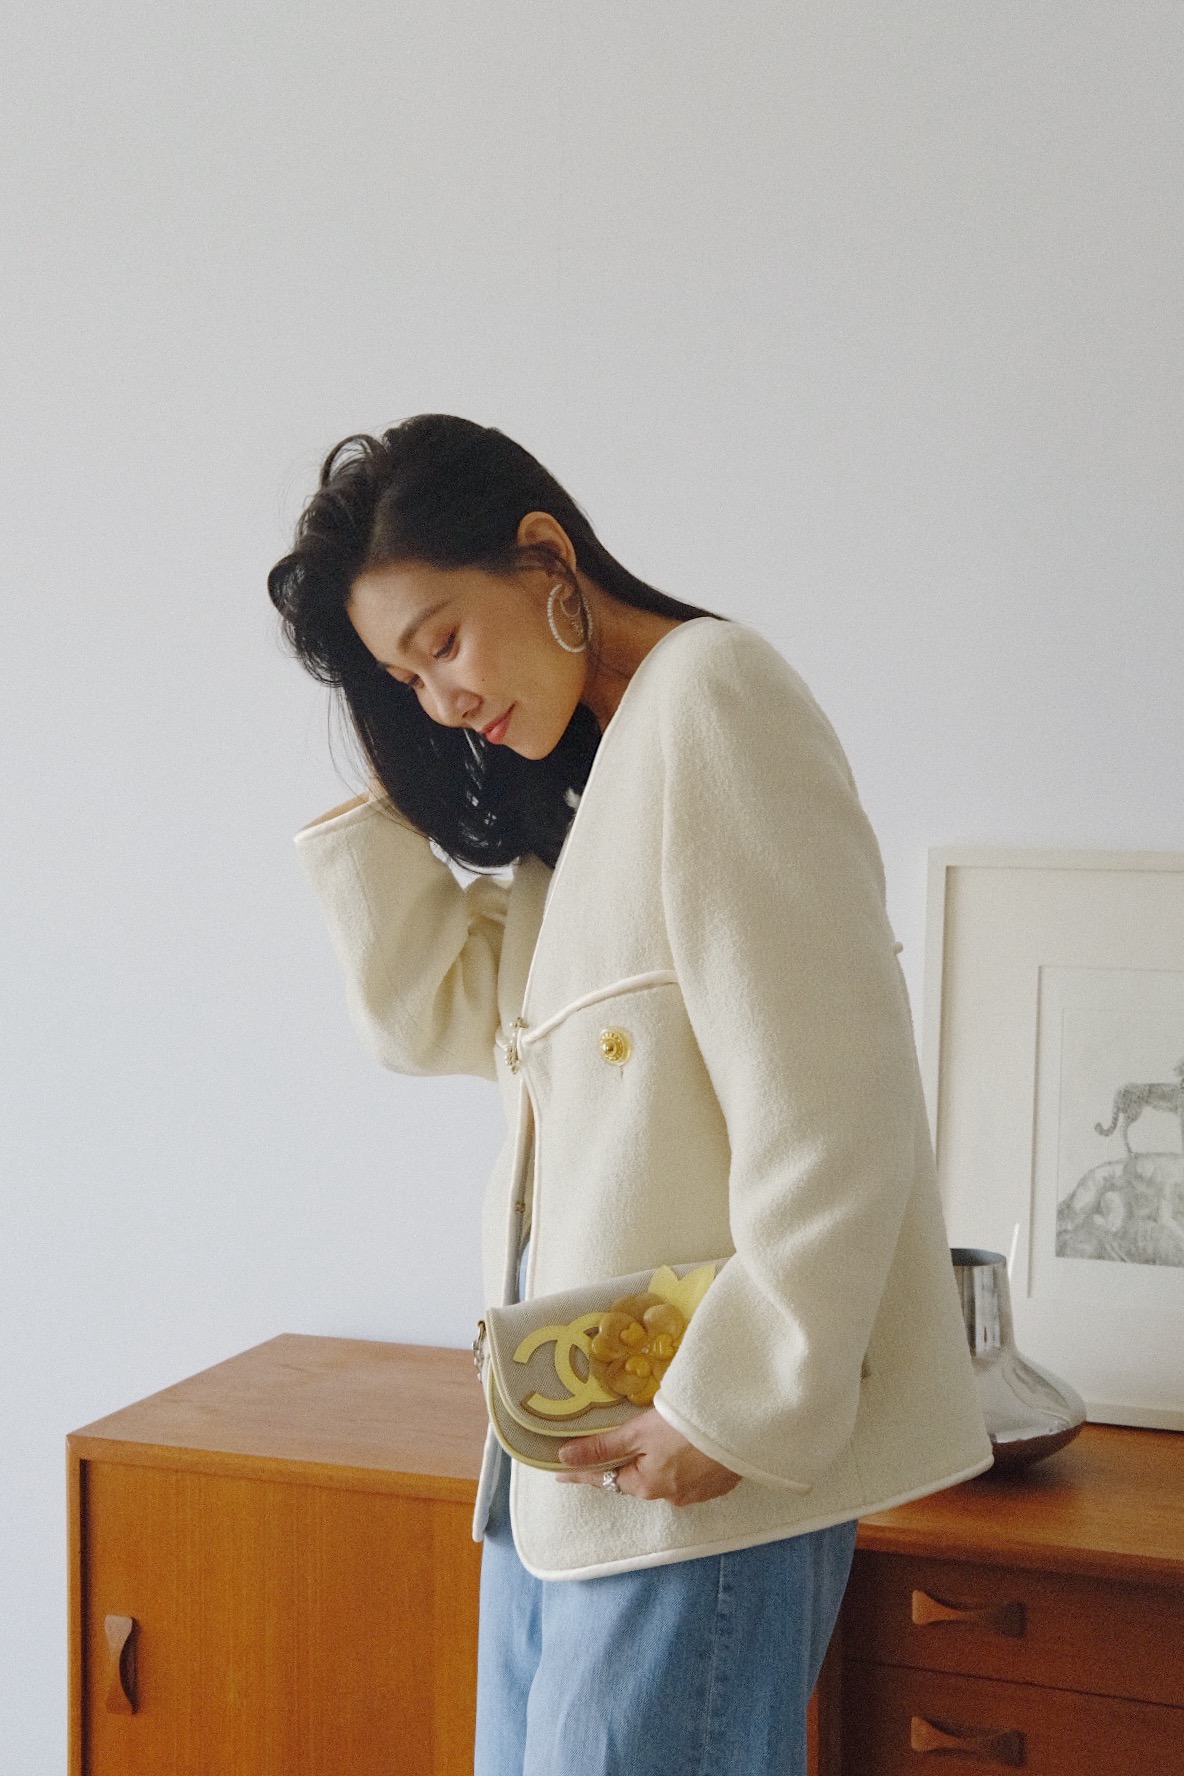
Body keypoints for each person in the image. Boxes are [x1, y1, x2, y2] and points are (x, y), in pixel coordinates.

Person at [268, 414, 991, 1776]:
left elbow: (836, 1104)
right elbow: (431, 1017)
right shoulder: (585, 786)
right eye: (402, 677)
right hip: (563, 1462)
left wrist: (738, 1407)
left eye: (443, 642)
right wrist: (403, 759)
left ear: (544, 553)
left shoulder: (715, 697)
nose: (440, 699)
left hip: (693, 1454)